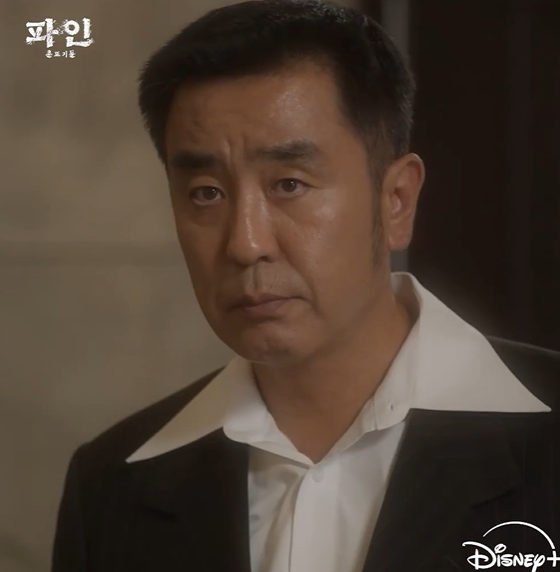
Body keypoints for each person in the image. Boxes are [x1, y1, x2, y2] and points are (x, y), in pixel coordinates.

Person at [51, 1, 560, 571]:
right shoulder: (112, 486)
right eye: (206, 193)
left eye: (289, 184)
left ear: (396, 200)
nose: (245, 244)